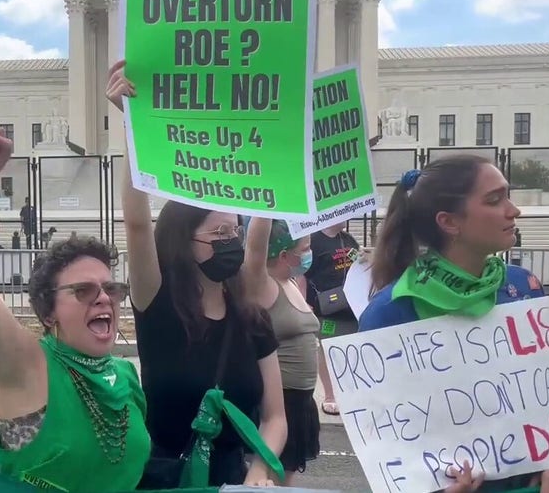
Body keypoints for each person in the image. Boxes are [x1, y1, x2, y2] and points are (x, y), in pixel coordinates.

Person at [108, 60, 287, 489]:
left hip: (231, 479)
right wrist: (132, 124)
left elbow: (275, 416)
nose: (230, 241)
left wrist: (261, 467)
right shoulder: (157, 300)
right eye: (218, 232)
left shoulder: (252, 317)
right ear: (183, 241)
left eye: (235, 232)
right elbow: (135, 222)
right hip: (162, 476)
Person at [358, 156, 549, 491]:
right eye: (494, 199)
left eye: (508, 195)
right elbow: (384, 435)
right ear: (449, 222)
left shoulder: (523, 287)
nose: (512, 210)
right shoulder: (389, 312)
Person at [0, 130, 151, 492]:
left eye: (111, 288)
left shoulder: (125, 375)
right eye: (83, 290)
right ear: (48, 313)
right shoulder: (29, 368)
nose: (104, 298)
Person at [240, 218, 320, 484]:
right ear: (284, 255)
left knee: (284, 483)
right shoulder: (262, 285)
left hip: (301, 403)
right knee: (270, 481)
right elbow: (254, 249)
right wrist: (268, 204)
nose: (309, 253)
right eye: (304, 248)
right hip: (280, 401)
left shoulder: (292, 282)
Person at [303, 222, 360, 416]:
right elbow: (303, 274)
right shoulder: (314, 241)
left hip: (351, 306)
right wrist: (303, 302)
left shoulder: (349, 239)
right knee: (327, 350)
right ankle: (330, 395)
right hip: (326, 308)